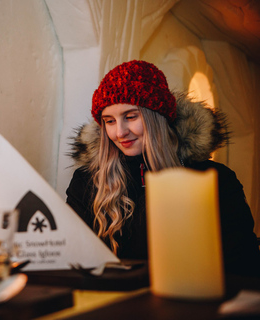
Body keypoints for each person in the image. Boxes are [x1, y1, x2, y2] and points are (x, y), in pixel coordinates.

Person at [66, 60, 260, 277]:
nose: (119, 132)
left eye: (131, 117)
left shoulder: (214, 179)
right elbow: (73, 259)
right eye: (109, 121)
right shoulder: (87, 182)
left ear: (156, 117)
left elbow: (242, 264)